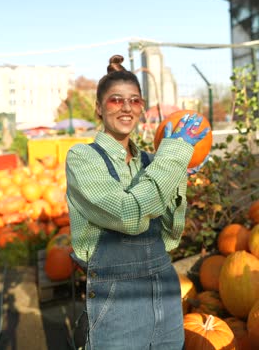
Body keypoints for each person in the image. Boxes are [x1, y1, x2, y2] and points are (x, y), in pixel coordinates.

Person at [66, 54, 209, 350]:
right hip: (118, 304)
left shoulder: (152, 161)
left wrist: (177, 173)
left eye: (135, 101)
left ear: (142, 108)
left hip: (166, 296)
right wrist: (173, 157)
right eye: (116, 100)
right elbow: (128, 215)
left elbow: (170, 237)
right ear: (99, 108)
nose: (127, 108)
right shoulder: (82, 158)